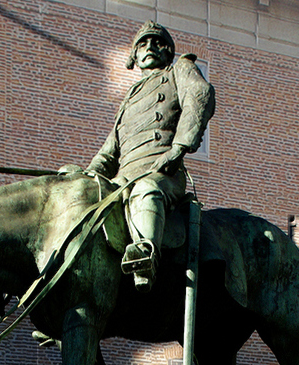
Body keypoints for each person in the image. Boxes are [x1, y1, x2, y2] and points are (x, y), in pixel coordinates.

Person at [87, 21, 215, 291]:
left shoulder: (179, 70)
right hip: (122, 178)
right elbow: (111, 149)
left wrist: (179, 148)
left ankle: (145, 255)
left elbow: (200, 94)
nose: (150, 47)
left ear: (168, 51)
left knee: (146, 189)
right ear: (134, 56)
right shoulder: (130, 98)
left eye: (157, 43)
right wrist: (86, 175)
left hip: (162, 172)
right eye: (142, 44)